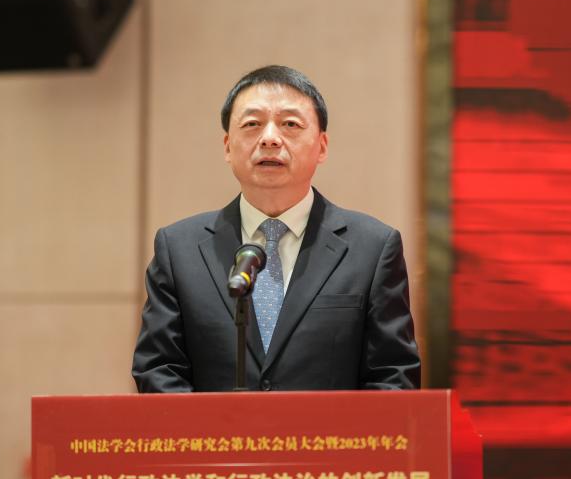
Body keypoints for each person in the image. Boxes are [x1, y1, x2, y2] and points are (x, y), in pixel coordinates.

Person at [132, 65, 420, 392]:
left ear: (322, 146)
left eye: (290, 124)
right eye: (252, 124)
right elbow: (158, 370)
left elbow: (393, 376)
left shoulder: (372, 248)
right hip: (214, 428)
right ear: (227, 146)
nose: (270, 138)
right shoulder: (179, 250)